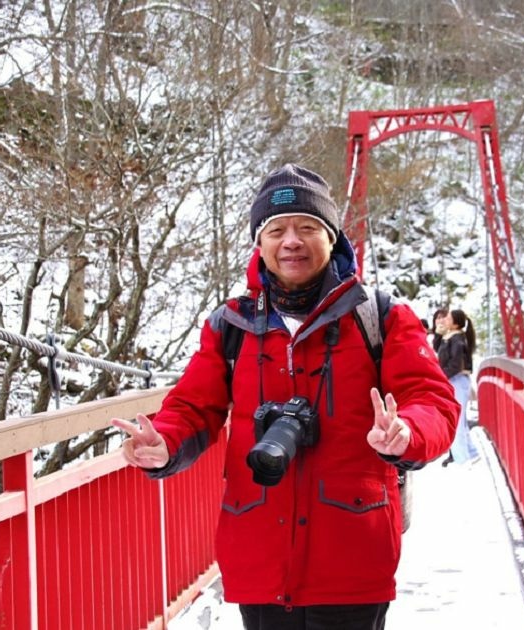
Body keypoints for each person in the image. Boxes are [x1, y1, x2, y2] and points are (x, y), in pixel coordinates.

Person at [112, 163, 459, 630]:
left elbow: (433, 400)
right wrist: (166, 444)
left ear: (332, 237)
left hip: (352, 559)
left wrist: (408, 432)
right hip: (259, 559)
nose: (290, 241)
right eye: (275, 230)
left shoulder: (380, 316)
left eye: (307, 227)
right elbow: (193, 407)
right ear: (260, 244)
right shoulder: (230, 325)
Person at [436, 308, 479, 467]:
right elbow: (438, 351)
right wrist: (439, 335)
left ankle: (463, 459)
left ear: (455, 324)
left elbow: (455, 364)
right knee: (459, 419)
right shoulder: (451, 337)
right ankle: (471, 453)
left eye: (448, 317)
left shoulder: (458, 340)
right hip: (455, 380)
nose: (444, 319)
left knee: (457, 420)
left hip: (457, 380)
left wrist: (440, 377)